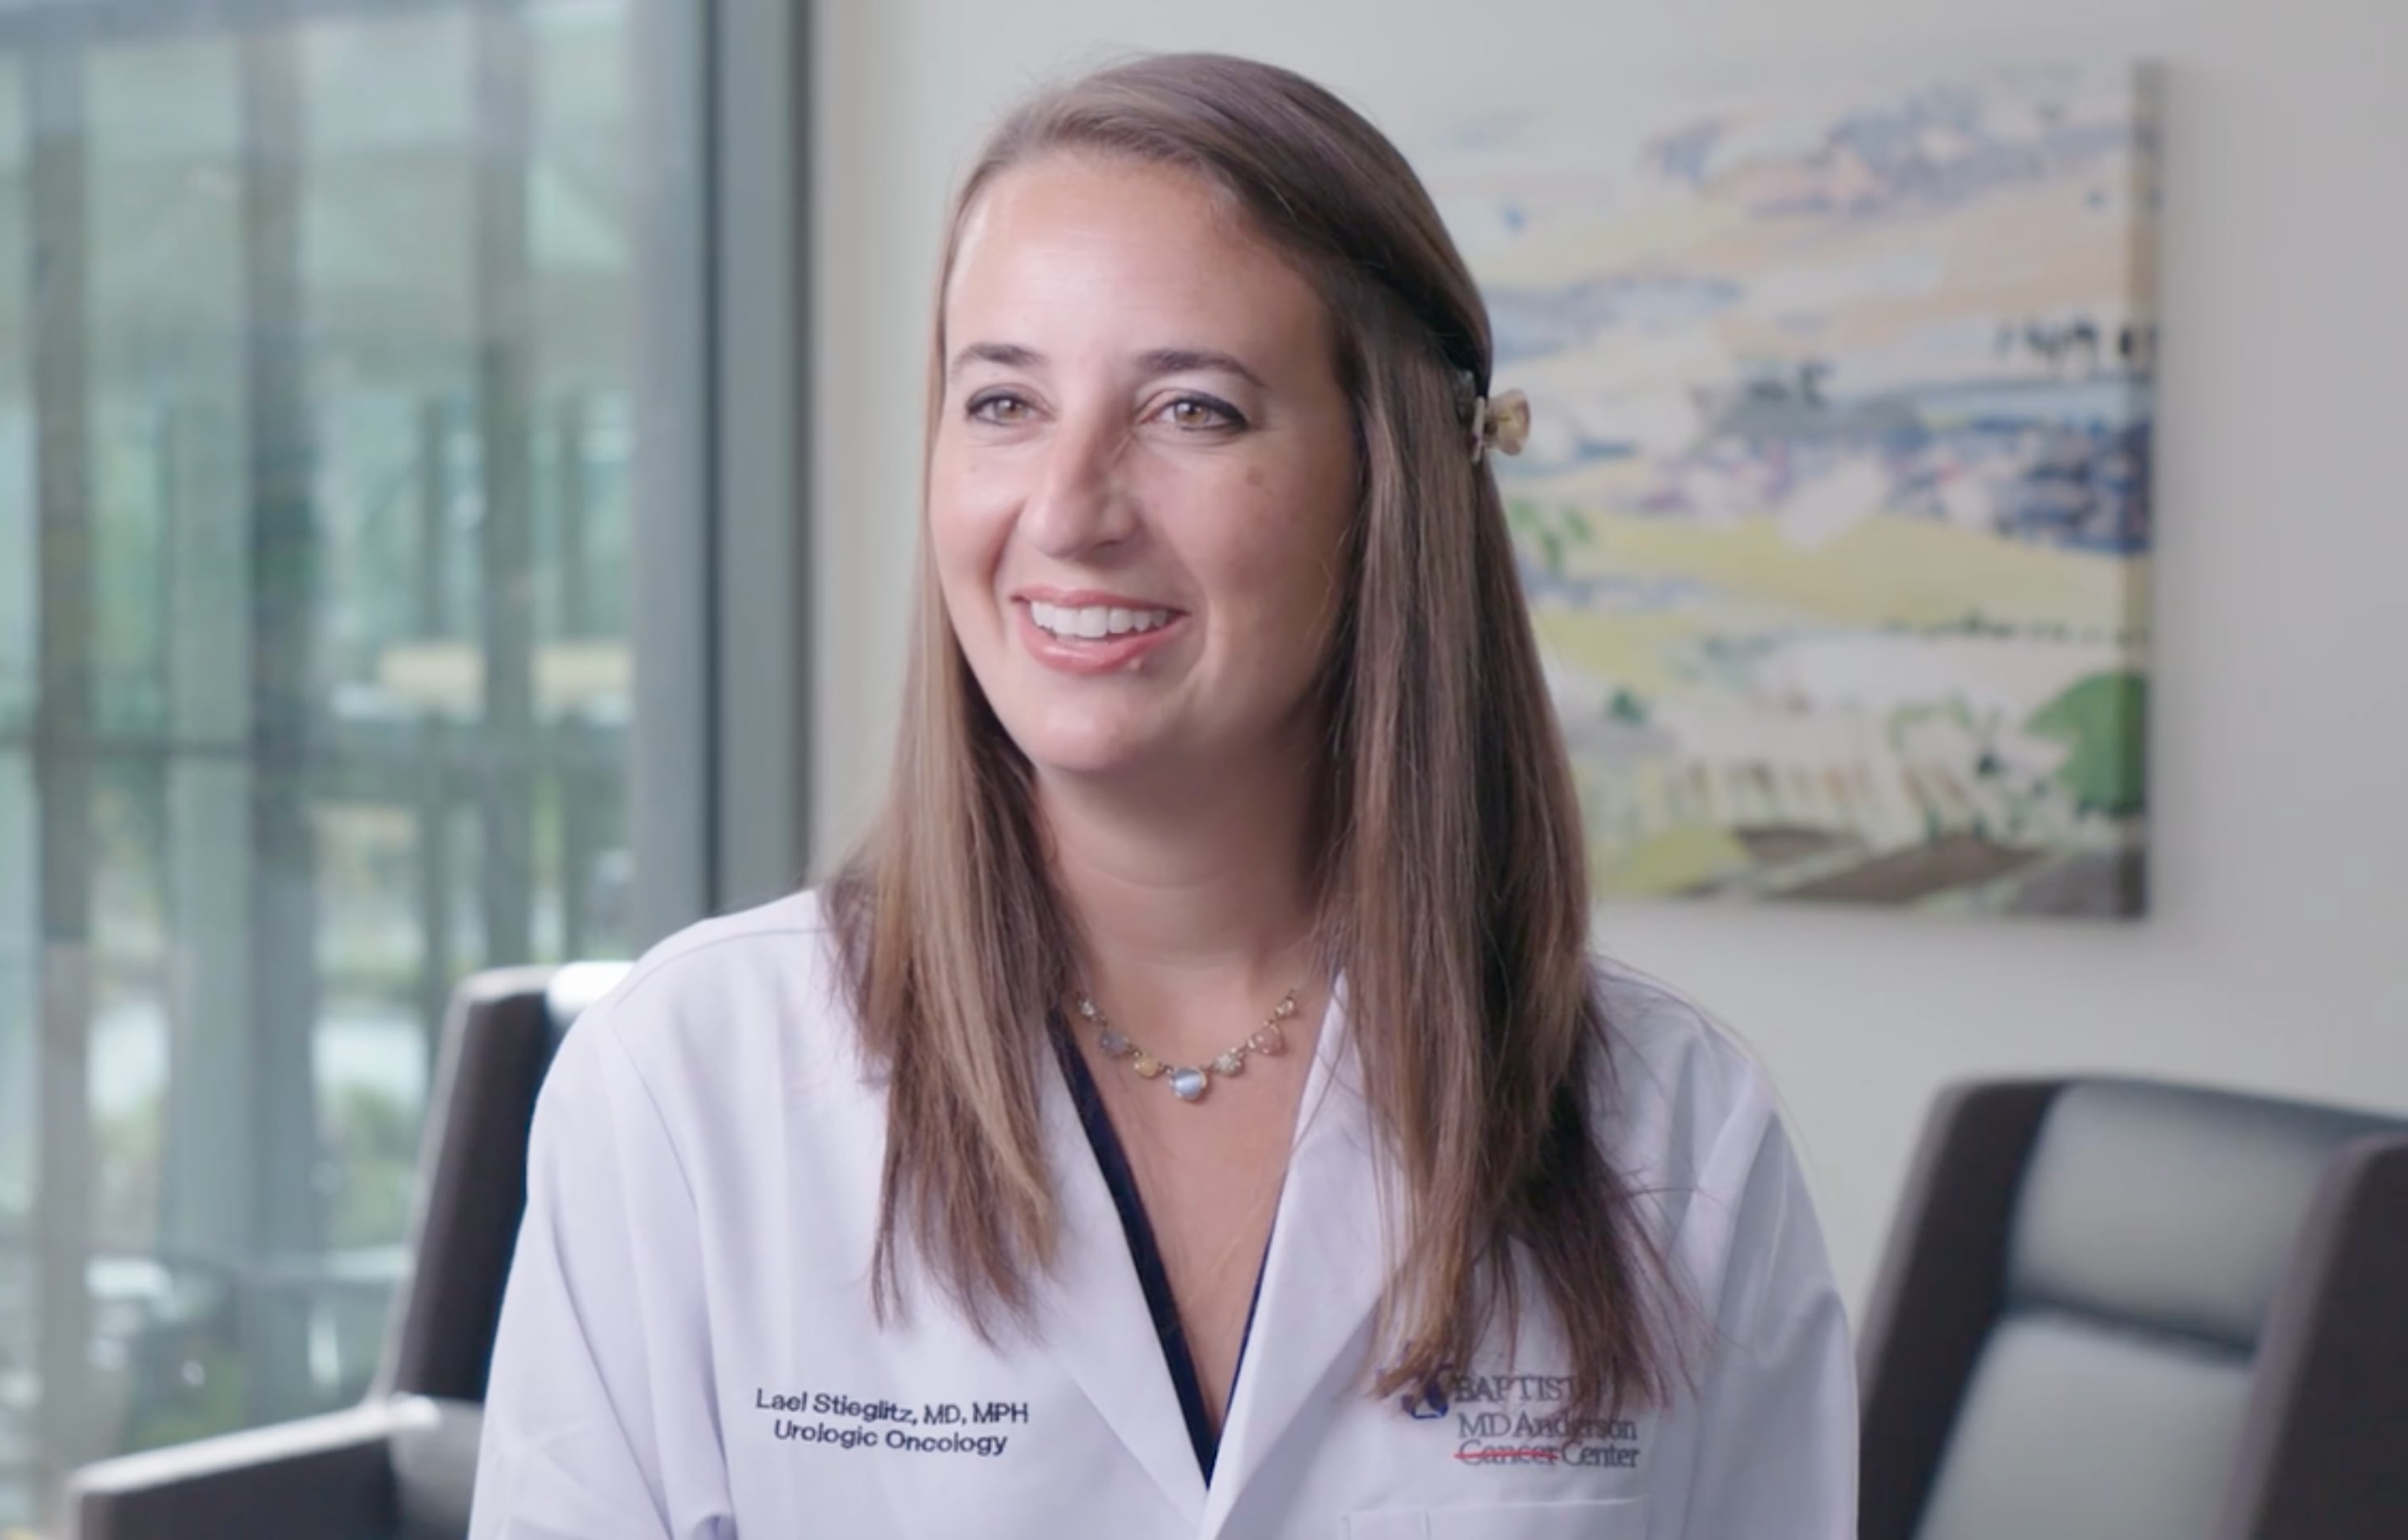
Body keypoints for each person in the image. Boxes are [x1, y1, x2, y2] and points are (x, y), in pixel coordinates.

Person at [469, 52, 1855, 1540]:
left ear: (1390, 479)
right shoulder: (685, 1087)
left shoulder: (1672, 1128)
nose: (1067, 510)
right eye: (1003, 400)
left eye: (1193, 411)